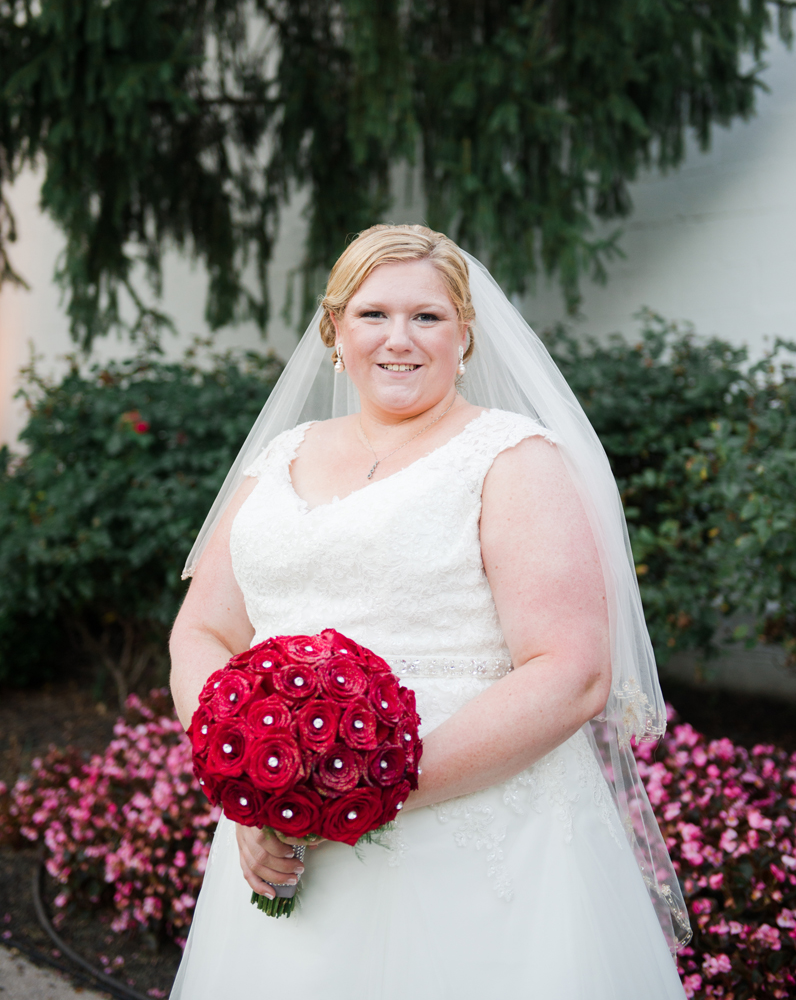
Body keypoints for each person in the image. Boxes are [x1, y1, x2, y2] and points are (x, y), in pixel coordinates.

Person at [168, 225, 688, 999]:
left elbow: (572, 671)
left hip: (475, 842)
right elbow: (201, 630)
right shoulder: (279, 458)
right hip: (282, 840)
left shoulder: (514, 458)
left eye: (428, 317)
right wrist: (244, 787)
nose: (398, 339)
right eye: (373, 314)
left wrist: (360, 786)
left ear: (464, 335)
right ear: (334, 329)